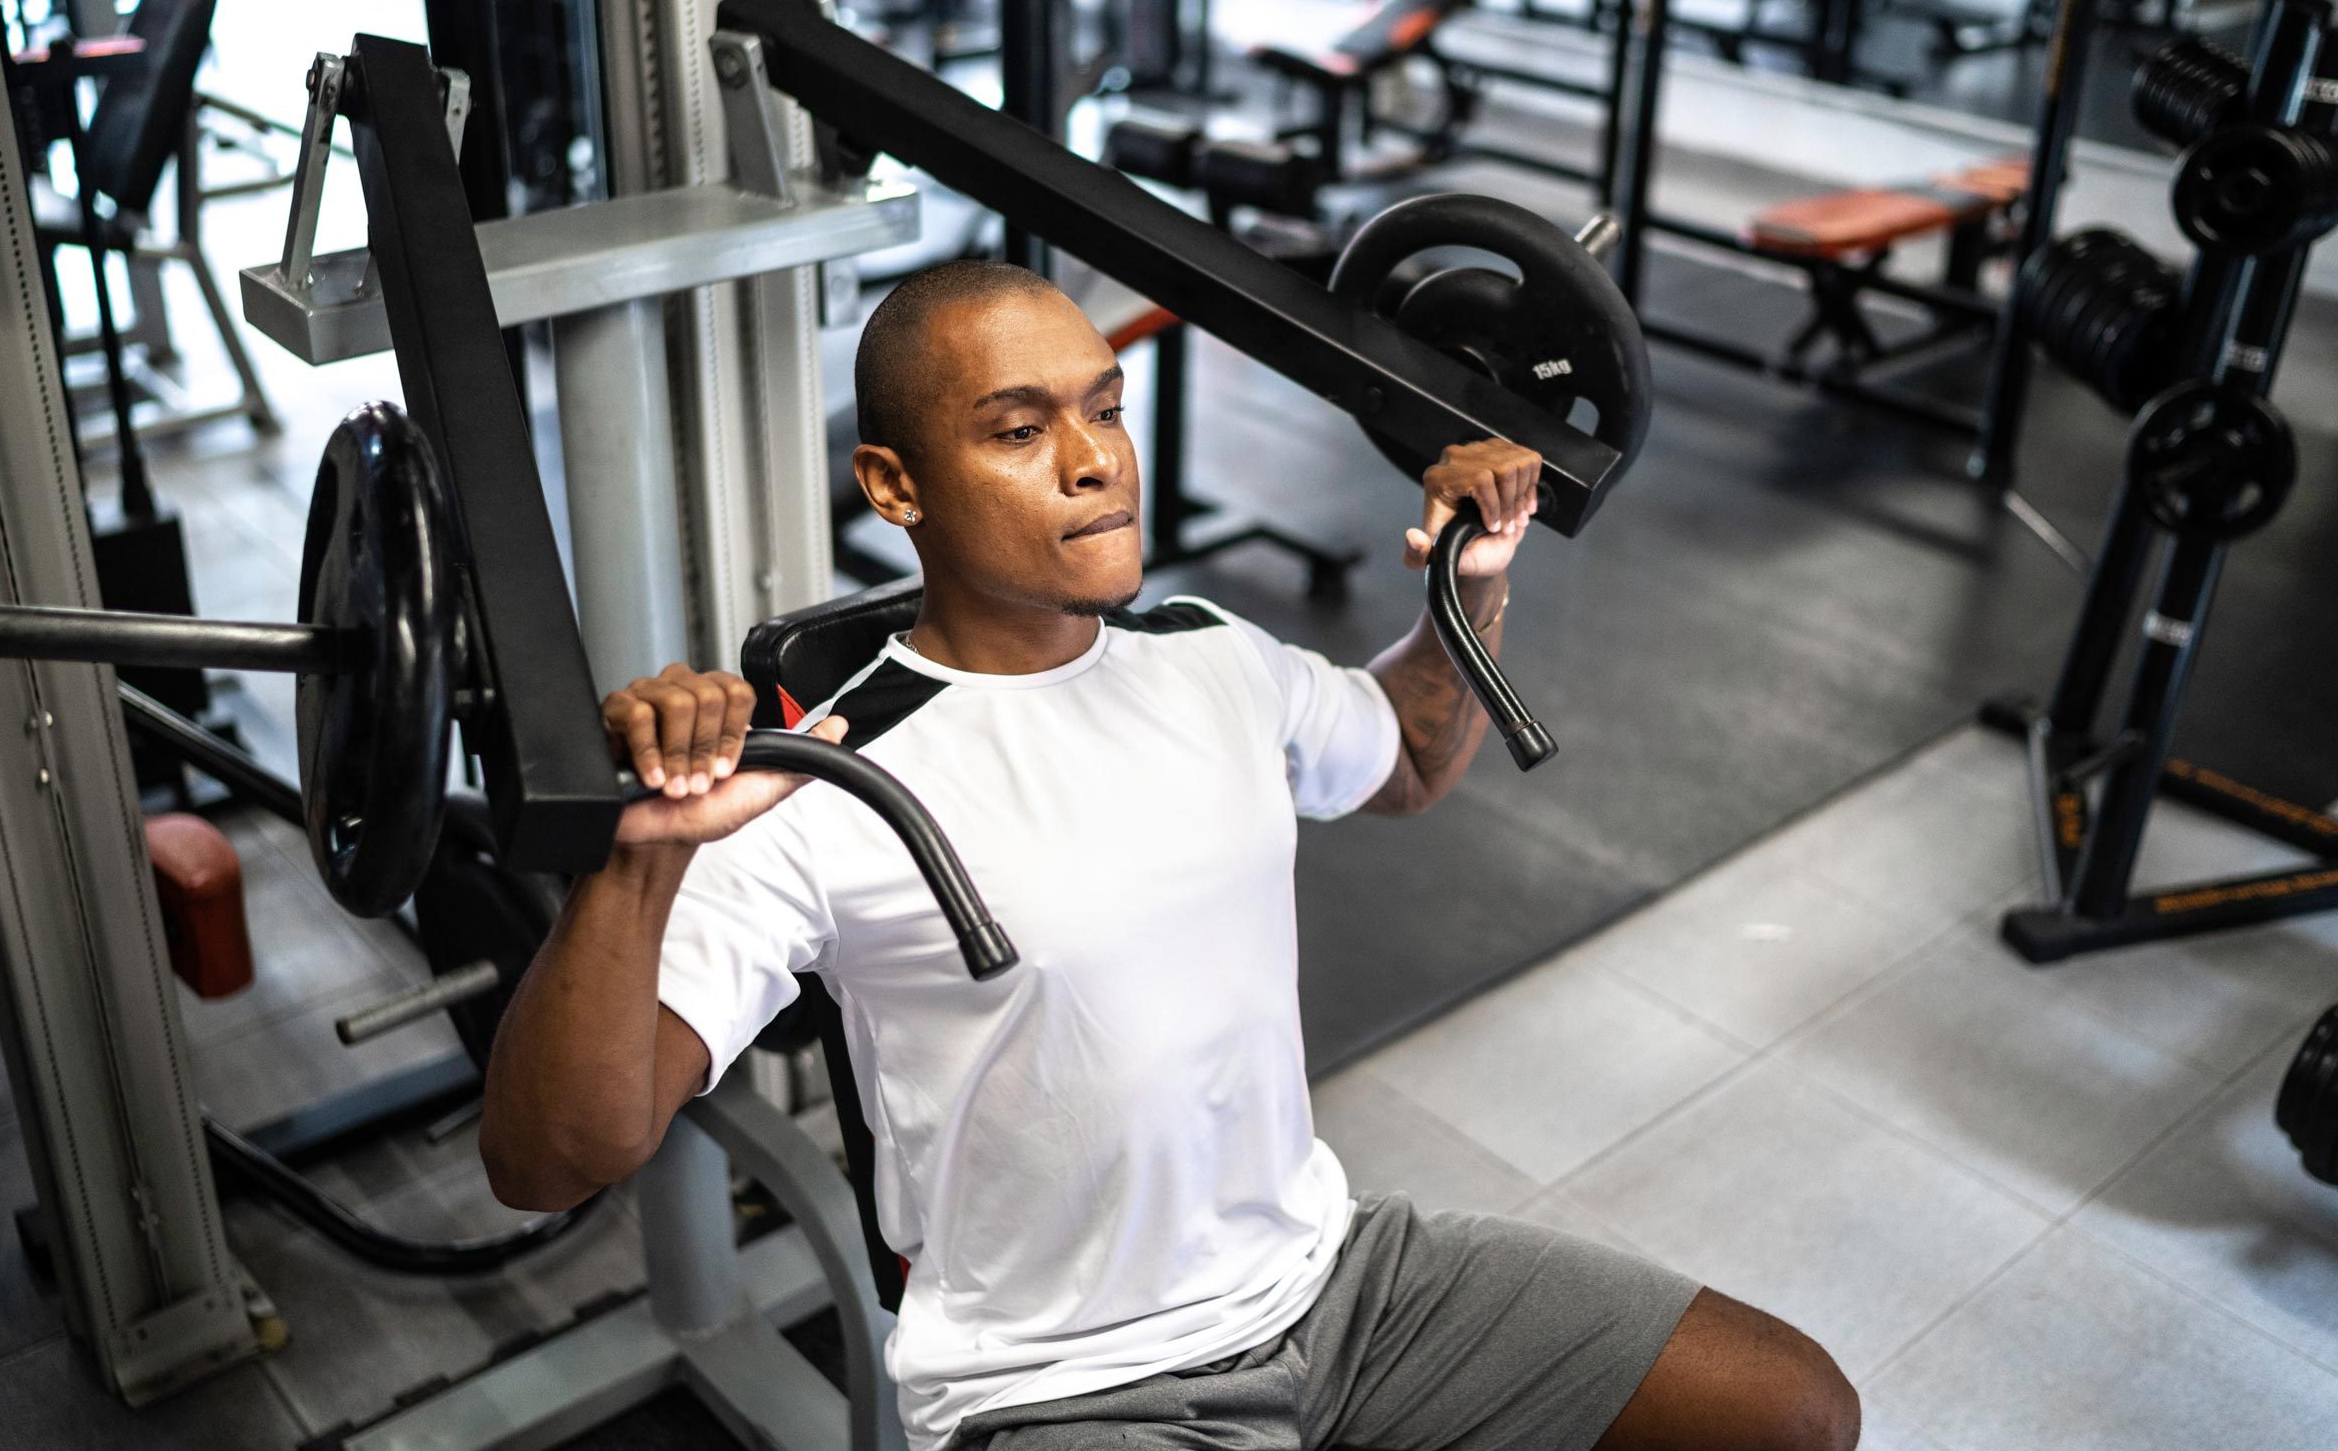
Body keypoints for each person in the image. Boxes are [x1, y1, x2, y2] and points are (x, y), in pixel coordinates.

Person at [481, 261, 1859, 1451]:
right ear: (895, 484)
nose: (1096, 461)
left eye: (1106, 409)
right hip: (1068, 1386)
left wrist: (1475, 575)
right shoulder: (827, 777)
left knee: (1791, 1408)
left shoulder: (1210, 655)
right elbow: (549, 1160)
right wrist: (636, 864)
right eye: (1021, 429)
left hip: (1339, 1284)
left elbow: (1409, 756)